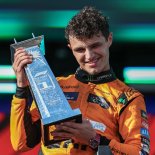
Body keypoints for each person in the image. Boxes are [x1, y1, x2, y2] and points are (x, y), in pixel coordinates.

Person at [10, 6, 150, 155]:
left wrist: (94, 139)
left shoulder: (128, 98)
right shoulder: (53, 86)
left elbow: (140, 153)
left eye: (95, 45)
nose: (89, 56)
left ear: (109, 39)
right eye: (80, 49)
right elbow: (21, 144)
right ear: (70, 48)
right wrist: (21, 88)